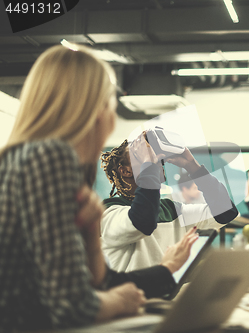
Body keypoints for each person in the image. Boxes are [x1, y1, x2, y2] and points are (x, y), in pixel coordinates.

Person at [0, 45, 145, 331]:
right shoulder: (50, 157)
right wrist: (121, 300)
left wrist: (91, 234)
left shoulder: (18, 159)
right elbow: (73, 307)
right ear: (96, 111)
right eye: (111, 106)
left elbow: (88, 284)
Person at [100, 136, 238, 272]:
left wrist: (192, 166)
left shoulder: (172, 209)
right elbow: (143, 221)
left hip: (167, 292)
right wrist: (149, 165)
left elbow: (226, 212)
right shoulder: (108, 212)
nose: (153, 157)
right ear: (125, 171)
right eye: (140, 153)